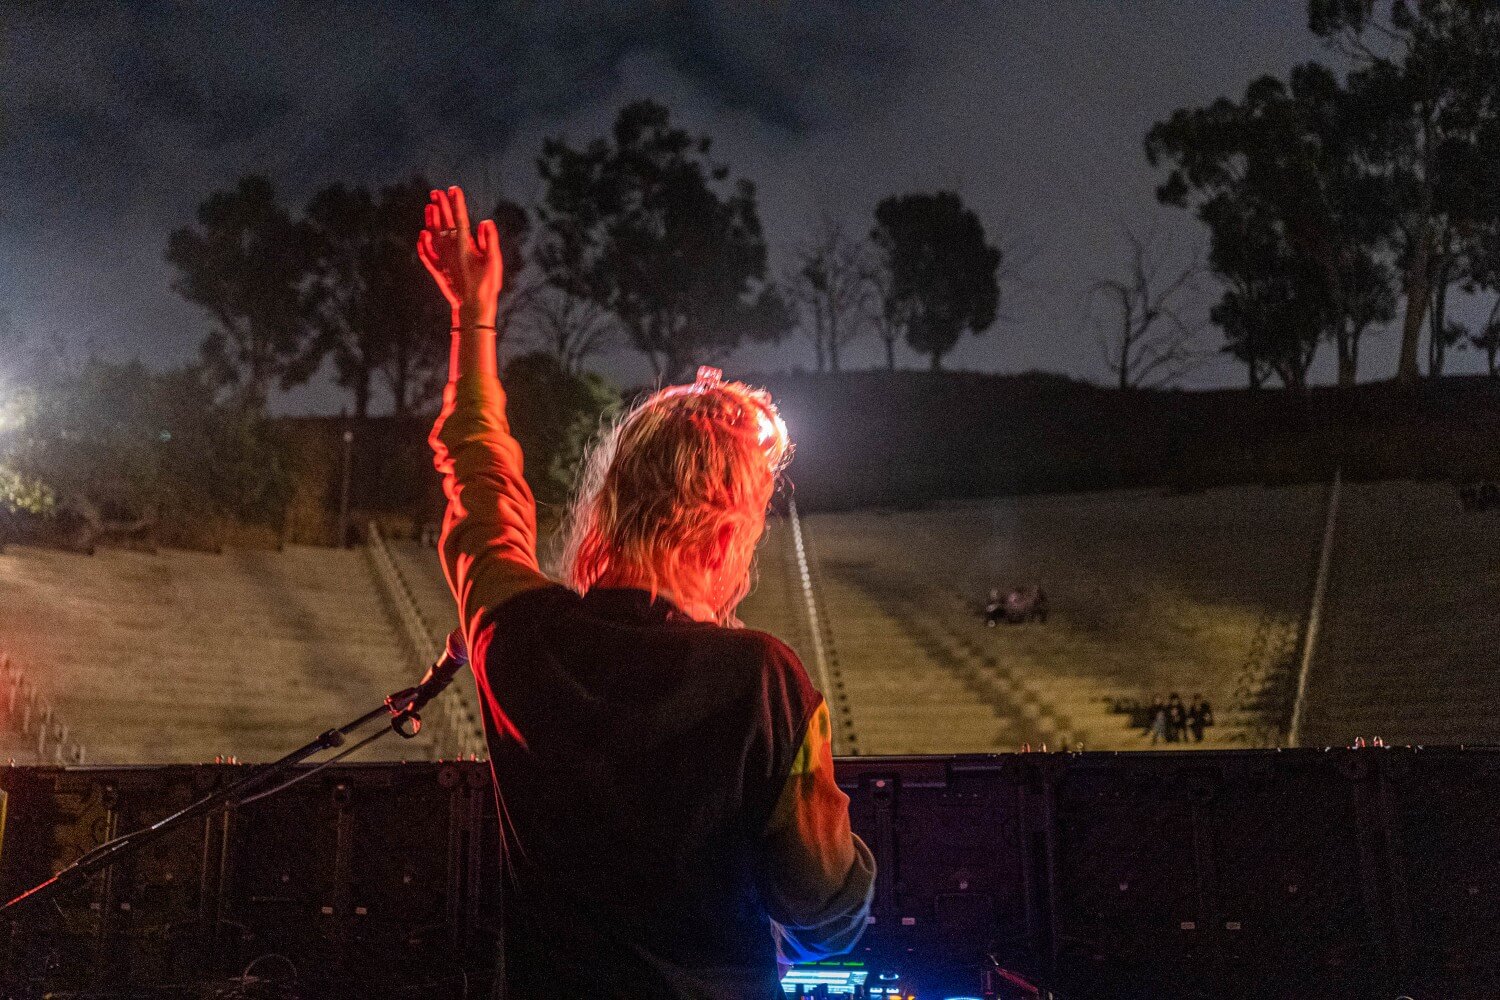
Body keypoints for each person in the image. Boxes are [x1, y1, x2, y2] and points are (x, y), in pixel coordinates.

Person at [416, 186, 874, 999]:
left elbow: (478, 470)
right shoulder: (763, 678)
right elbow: (820, 911)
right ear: (724, 537)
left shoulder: (516, 636)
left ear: (614, 505)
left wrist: (473, 318)